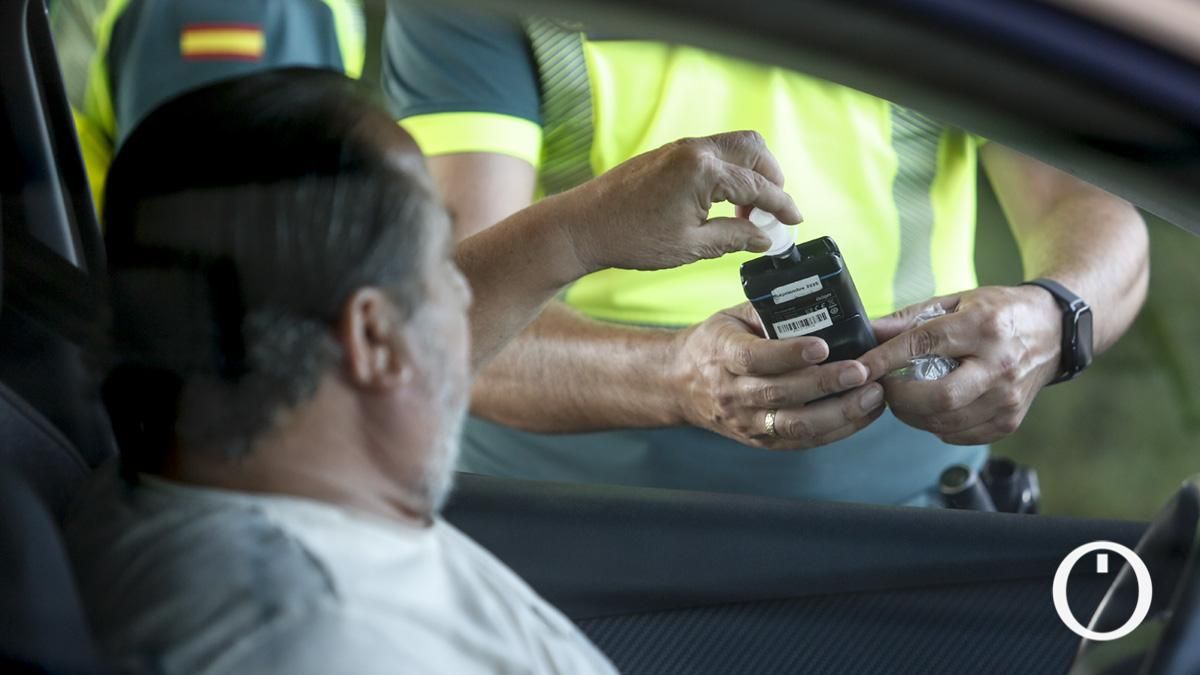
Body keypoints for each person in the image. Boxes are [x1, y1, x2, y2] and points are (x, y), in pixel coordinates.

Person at [64, 68, 800, 673]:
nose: (466, 290)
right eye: (442, 268)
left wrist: (579, 233)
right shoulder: (323, 643)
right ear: (375, 340)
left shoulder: (204, 484)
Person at [383, 4, 1149, 505]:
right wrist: (677, 377)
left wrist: (1052, 315)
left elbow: (1088, 204)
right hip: (566, 528)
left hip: (902, 520)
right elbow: (453, 328)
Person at [66, 0, 364, 208]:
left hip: (143, 257)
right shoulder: (333, 14)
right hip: (287, 263)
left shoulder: (102, 8)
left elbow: (74, 141)